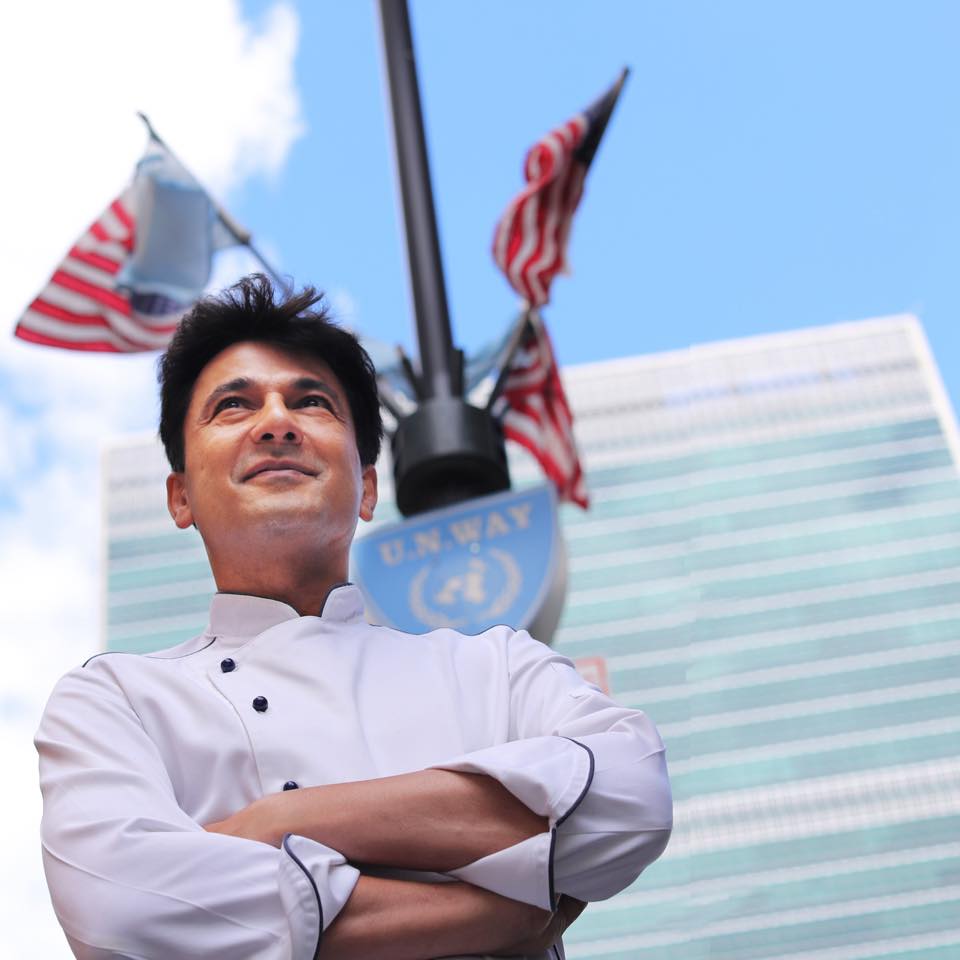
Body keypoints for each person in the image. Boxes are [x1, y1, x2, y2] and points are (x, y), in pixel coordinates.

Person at [35, 275, 672, 960]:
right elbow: (127, 912)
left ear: (367, 488)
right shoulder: (114, 700)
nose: (276, 422)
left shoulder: (496, 666)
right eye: (232, 405)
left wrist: (279, 819)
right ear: (180, 496)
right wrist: (501, 913)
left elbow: (631, 798)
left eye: (310, 402)